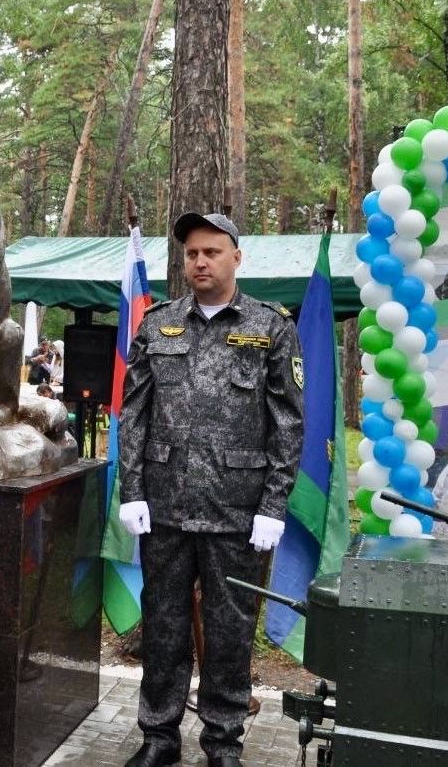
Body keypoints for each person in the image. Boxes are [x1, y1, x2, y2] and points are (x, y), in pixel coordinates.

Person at [116, 212, 305, 767]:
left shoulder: (271, 327)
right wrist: (131, 491)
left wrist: (274, 504)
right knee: (165, 626)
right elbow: (135, 415)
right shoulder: (158, 324)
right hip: (166, 508)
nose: (200, 262)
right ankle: (158, 737)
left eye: (212, 252)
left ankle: (223, 742)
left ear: (236, 258)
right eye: (192, 253)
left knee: (229, 632)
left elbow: (288, 422)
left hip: (236, 512)